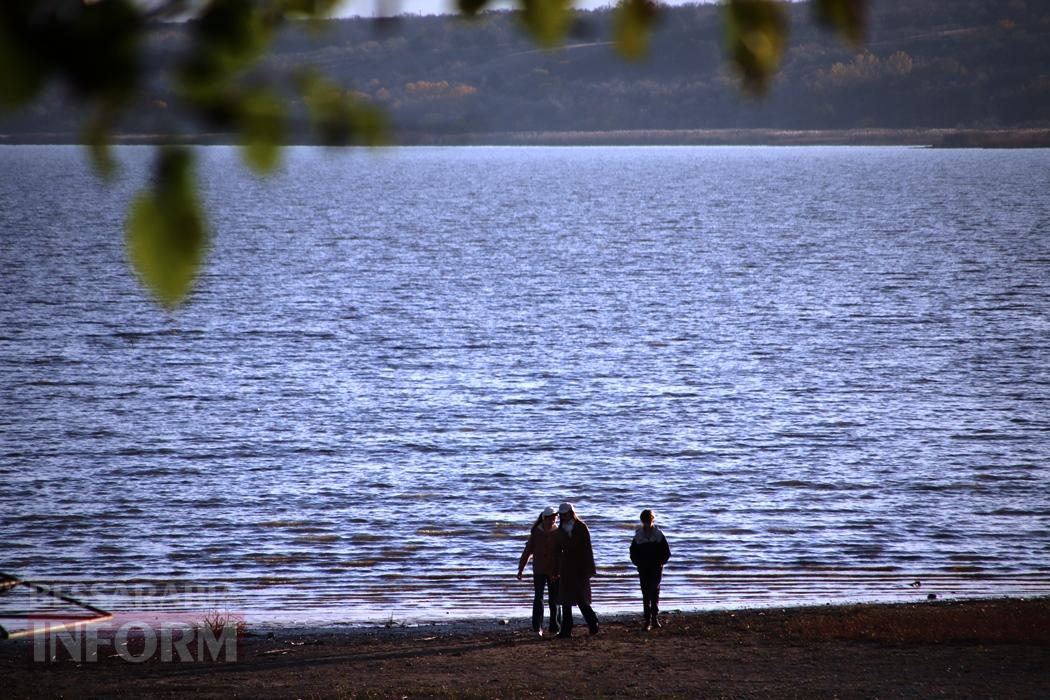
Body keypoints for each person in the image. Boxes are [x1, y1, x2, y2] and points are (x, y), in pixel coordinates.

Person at [552, 502, 599, 637]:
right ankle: (566, 630)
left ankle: (593, 622)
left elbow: (587, 549)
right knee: (565, 600)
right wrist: (555, 569)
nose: (562, 516)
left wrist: (590, 569)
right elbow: (556, 550)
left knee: (581, 598)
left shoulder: (581, 527)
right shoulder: (560, 529)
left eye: (564, 514)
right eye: (561, 514)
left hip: (580, 567)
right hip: (566, 567)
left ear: (571, 513)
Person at [517, 506, 562, 636]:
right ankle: (537, 628)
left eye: (554, 518)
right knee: (538, 598)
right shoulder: (536, 532)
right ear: (544, 518)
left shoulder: (558, 532)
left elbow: (561, 553)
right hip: (539, 570)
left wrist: (558, 571)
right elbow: (527, 551)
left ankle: (555, 627)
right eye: (550, 519)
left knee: (555, 600)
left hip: (554, 570)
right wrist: (521, 569)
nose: (552, 521)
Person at [630, 508, 671, 630]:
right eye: (645, 521)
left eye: (649, 521)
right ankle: (647, 621)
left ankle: (654, 619)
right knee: (645, 593)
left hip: (656, 568)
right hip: (643, 568)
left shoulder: (659, 535)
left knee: (654, 592)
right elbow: (633, 553)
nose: (647, 523)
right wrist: (638, 564)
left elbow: (666, 552)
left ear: (653, 520)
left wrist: (660, 564)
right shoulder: (638, 536)